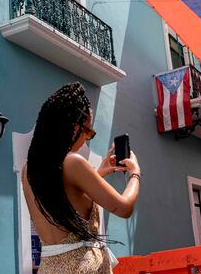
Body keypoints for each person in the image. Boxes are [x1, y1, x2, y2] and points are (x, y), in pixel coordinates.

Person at [22, 82, 141, 274]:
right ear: (72, 127)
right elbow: (124, 207)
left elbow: (69, 196)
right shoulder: (74, 162)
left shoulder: (28, 170)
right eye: (88, 131)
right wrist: (136, 173)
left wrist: (99, 171)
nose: (87, 137)